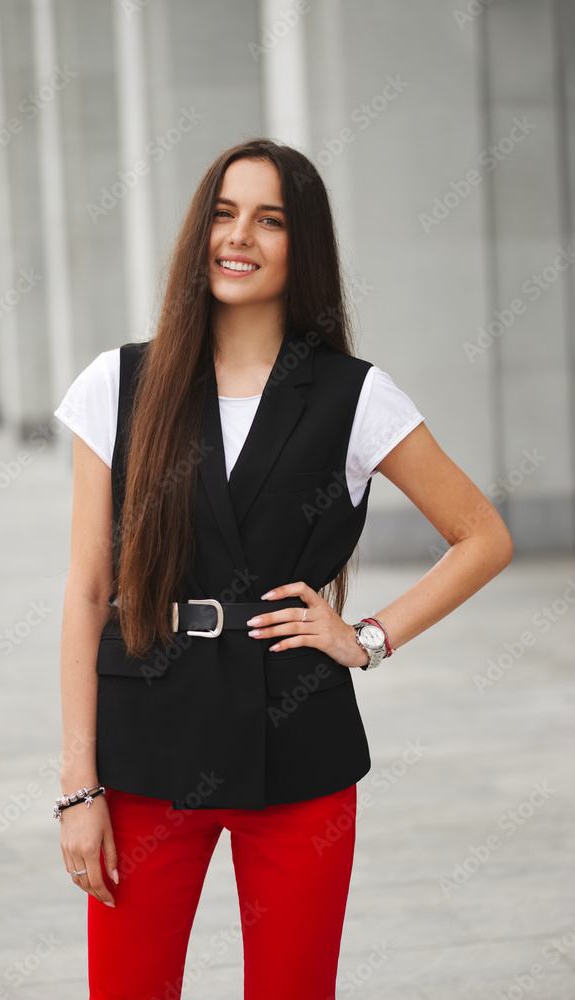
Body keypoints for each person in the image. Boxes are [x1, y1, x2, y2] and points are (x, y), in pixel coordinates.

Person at [52, 137, 513, 999]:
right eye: (224, 214)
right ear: (199, 232)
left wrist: (367, 637)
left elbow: (482, 536)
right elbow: (86, 592)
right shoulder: (118, 384)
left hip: (298, 749)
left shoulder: (353, 395)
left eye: (269, 220)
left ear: (303, 247)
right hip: (144, 746)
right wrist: (79, 786)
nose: (239, 236)